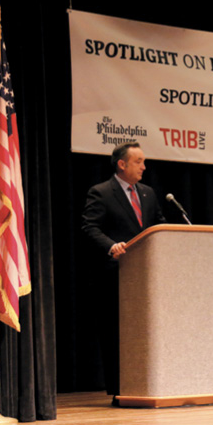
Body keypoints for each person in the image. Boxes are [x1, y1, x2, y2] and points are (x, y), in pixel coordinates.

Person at [81, 141, 166, 400]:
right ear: (122, 164)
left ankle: (146, 384)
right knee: (116, 334)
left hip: (145, 277)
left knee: (147, 332)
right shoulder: (101, 192)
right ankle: (119, 390)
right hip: (114, 275)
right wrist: (111, 246)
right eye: (138, 161)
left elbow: (159, 224)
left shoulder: (148, 193)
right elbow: (90, 227)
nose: (144, 166)